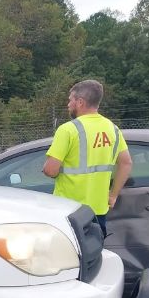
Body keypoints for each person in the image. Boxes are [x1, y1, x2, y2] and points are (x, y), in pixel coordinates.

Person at [42, 79, 132, 237]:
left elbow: (50, 170)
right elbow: (126, 163)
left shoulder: (68, 130)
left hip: (69, 211)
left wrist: (52, 170)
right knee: (94, 258)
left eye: (70, 100)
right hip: (98, 211)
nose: (68, 104)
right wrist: (113, 195)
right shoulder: (113, 128)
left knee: (67, 259)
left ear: (80, 102)